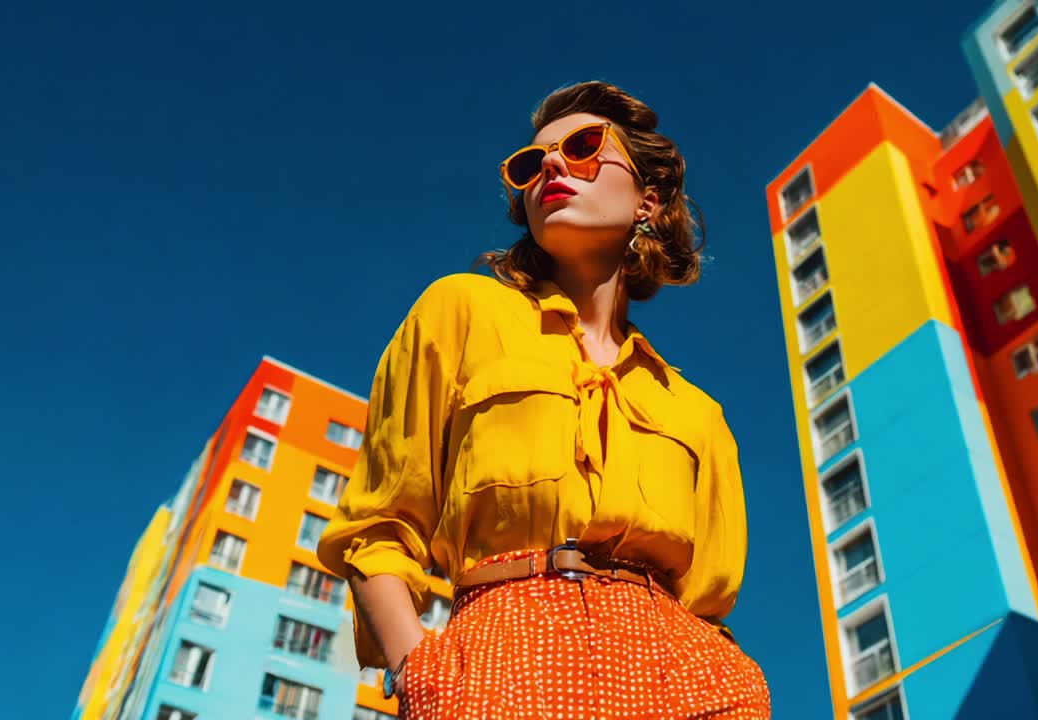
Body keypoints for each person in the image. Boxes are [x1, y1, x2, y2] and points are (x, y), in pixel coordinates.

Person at [317, 80, 771, 719]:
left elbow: (707, 599)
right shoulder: (461, 310)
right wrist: (418, 667)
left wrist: (727, 682)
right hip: (501, 659)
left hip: (685, 680)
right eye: (531, 164)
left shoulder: (696, 411)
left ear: (649, 199)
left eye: (585, 147)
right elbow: (379, 525)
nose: (553, 165)